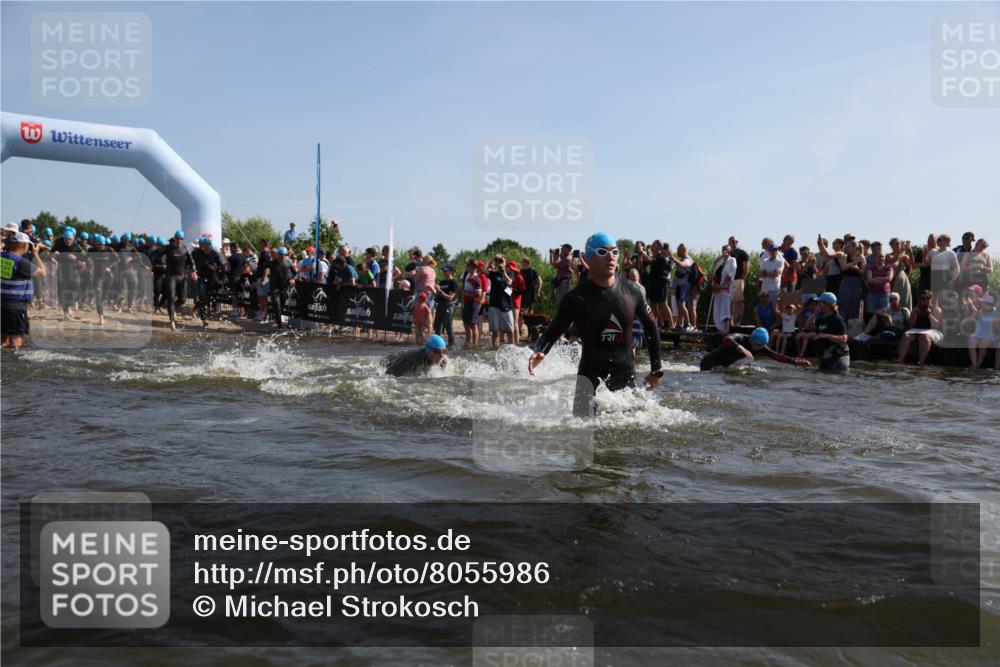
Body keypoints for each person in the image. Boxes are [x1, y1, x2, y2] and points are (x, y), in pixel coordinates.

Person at [528, 232, 663, 418]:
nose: (611, 257)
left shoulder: (632, 291)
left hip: (625, 377)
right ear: (588, 258)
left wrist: (656, 370)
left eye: (615, 252)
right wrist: (540, 350)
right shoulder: (575, 298)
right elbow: (552, 332)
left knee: (628, 438)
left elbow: (651, 327)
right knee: (582, 435)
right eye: (603, 252)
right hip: (589, 379)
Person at [1, 232, 46, 348]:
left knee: (3, 341)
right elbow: (42, 273)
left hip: (2, 304)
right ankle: (13, 364)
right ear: (24, 245)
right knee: (16, 342)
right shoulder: (21, 262)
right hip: (16, 307)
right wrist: (36, 254)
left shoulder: (1, 257)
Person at [699, 327, 811, 371]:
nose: (760, 348)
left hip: (719, 368)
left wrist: (795, 361)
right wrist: (739, 347)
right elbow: (725, 339)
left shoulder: (759, 347)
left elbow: (775, 355)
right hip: (707, 363)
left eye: (762, 346)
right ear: (752, 340)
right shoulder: (741, 338)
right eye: (759, 345)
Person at [897, 290, 943, 366]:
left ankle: (921, 362)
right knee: (906, 335)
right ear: (920, 300)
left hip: (933, 331)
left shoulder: (936, 309)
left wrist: (930, 315)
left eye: (928, 298)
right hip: (917, 330)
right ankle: (900, 359)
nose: (926, 300)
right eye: (923, 298)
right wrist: (914, 313)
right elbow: (912, 324)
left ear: (931, 299)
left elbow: (937, 325)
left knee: (924, 337)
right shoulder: (917, 309)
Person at [161, 231, 194, 331]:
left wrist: (194, 271)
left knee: (183, 299)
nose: (179, 240)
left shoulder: (185, 249)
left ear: (183, 239)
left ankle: (172, 309)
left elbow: (192, 261)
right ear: (175, 238)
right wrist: (160, 265)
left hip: (181, 277)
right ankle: (172, 321)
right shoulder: (168, 248)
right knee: (171, 298)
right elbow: (158, 255)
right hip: (171, 277)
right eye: (178, 238)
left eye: (181, 239)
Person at [810, 292, 851, 371]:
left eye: (820, 302)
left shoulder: (838, 319)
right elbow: (808, 326)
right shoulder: (822, 318)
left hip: (838, 357)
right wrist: (815, 313)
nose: (817, 304)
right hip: (825, 356)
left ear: (826, 304)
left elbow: (844, 338)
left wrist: (826, 336)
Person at [191, 237, 224, 327]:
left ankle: (201, 312)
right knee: (202, 297)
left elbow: (221, 266)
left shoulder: (214, 254)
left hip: (211, 279)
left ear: (207, 245)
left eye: (202, 244)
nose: (200, 246)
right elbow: (190, 262)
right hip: (200, 278)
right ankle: (204, 319)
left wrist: (215, 268)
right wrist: (192, 271)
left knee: (208, 298)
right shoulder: (196, 252)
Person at [383, 334, 448, 377]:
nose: (441, 355)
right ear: (429, 351)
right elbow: (388, 374)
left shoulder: (443, 360)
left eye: (444, 351)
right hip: (392, 361)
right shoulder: (412, 359)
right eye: (438, 351)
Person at [486, 254, 515, 348]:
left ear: (505, 263)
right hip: (494, 304)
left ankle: (511, 349)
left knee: (510, 330)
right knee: (495, 331)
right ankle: (495, 349)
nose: (500, 263)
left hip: (506, 305)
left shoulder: (510, 273)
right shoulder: (493, 274)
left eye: (502, 261)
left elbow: (509, 281)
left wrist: (503, 271)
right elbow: (484, 270)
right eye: (499, 261)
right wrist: (492, 258)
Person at [665, 243, 694, 331]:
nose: (677, 251)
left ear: (683, 250)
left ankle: (688, 324)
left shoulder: (687, 259)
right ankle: (680, 324)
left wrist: (672, 258)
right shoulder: (682, 258)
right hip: (680, 285)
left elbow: (682, 265)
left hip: (684, 285)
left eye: (678, 250)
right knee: (679, 305)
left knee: (681, 304)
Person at [965, 294, 998, 369]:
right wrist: (975, 313)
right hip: (978, 334)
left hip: (989, 335)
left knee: (983, 343)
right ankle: (974, 363)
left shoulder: (996, 315)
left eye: (983, 303)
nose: (981, 304)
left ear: (990, 305)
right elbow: (969, 322)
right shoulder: (979, 313)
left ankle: (978, 364)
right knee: (971, 341)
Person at [711, 244, 737, 333]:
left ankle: (726, 329)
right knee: (717, 309)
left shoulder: (732, 260)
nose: (725, 251)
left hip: (726, 290)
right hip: (717, 289)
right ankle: (720, 328)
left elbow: (730, 275)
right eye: (724, 250)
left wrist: (722, 286)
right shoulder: (720, 261)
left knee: (725, 309)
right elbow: (715, 270)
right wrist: (715, 286)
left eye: (727, 250)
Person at [864, 242, 894, 316]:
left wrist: (877, 278)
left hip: (884, 293)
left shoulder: (888, 267)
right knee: (871, 312)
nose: (881, 259)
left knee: (884, 312)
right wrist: (883, 280)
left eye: (882, 257)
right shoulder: (871, 267)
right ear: (875, 258)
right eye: (879, 257)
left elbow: (889, 278)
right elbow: (869, 279)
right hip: (872, 293)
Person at [461, 259, 484, 349]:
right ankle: (468, 342)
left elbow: (478, 294)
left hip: (473, 304)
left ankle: (474, 345)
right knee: (466, 323)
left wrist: (466, 293)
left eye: (468, 265)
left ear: (472, 267)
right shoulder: (467, 276)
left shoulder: (476, 279)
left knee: (473, 324)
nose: (466, 266)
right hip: (467, 303)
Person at [434, 264, 458, 347]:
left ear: (451, 271)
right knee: (437, 327)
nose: (443, 272)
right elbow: (438, 294)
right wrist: (436, 290)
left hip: (448, 306)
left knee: (448, 327)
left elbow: (450, 298)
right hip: (440, 305)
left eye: (445, 270)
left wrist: (439, 291)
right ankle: (437, 345)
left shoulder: (453, 282)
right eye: (443, 270)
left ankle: (451, 346)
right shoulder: (442, 282)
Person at [727, 236, 749, 326]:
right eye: (732, 241)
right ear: (729, 242)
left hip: (738, 279)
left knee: (738, 301)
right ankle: (731, 321)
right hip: (729, 281)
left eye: (735, 241)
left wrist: (742, 278)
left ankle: (738, 321)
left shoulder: (742, 253)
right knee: (730, 301)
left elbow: (746, 266)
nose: (734, 243)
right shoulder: (728, 253)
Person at [518, 256, 541, 335]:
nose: (521, 263)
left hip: (530, 293)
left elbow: (540, 281)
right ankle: (519, 330)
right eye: (521, 261)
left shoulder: (533, 270)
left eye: (523, 261)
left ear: (527, 262)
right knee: (520, 311)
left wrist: (538, 291)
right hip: (522, 293)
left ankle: (531, 331)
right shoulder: (521, 271)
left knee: (529, 311)